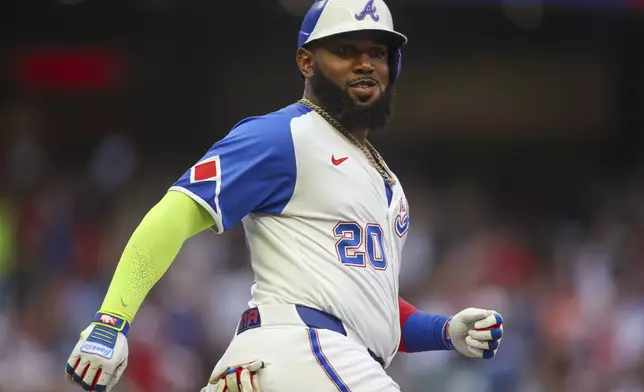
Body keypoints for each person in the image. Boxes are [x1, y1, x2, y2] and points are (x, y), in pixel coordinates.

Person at [64, 0, 504, 391]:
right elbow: (174, 213)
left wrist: (443, 331)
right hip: (304, 349)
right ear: (307, 62)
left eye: (377, 52)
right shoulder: (283, 135)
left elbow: (372, 310)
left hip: (322, 359)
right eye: (346, 50)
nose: (365, 64)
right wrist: (111, 321)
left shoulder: (384, 177)